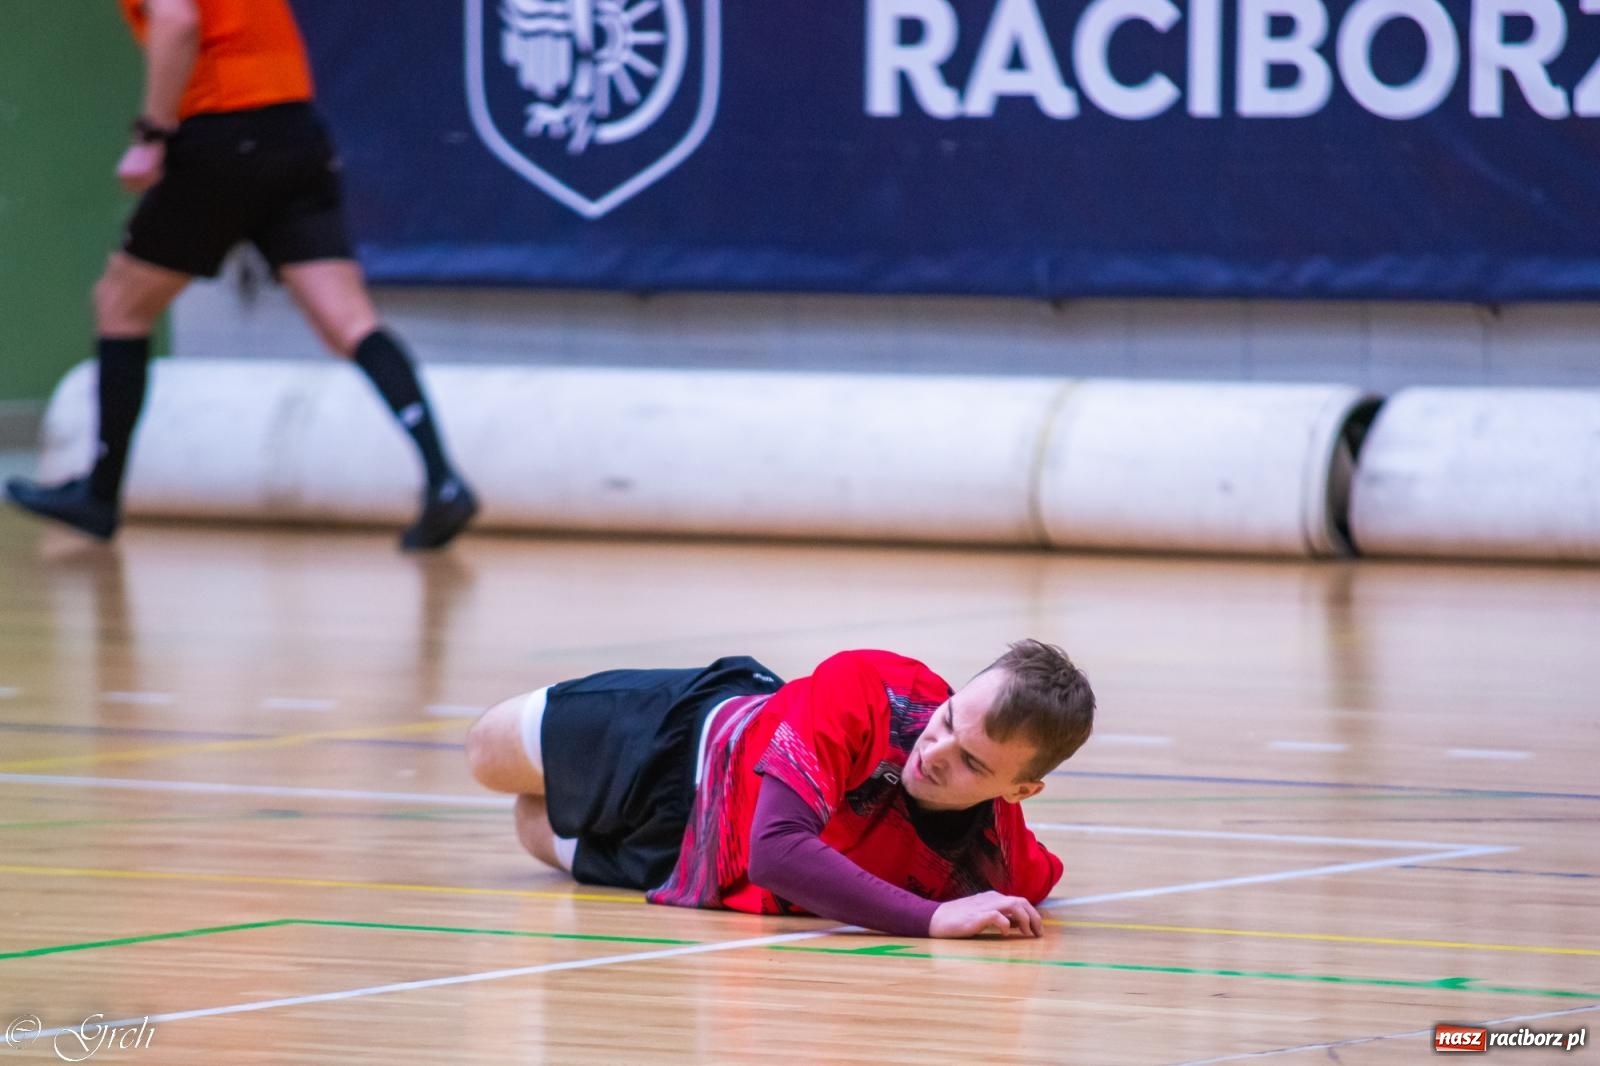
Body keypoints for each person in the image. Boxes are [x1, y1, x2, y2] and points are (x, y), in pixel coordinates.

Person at [4, 0, 476, 550]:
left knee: (120, 303)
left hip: (221, 131)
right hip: (294, 131)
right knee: (350, 321)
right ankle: (443, 479)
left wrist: (151, 136)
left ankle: (100, 497)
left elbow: (177, 20)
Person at [465, 640, 1095, 939]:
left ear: (1021, 790)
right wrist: (929, 918)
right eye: (948, 720)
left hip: (688, 867)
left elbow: (1040, 880)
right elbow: (776, 849)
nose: (933, 754)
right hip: (686, 741)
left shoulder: (1000, 868)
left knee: (532, 825)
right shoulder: (875, 687)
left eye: (971, 764)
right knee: (487, 756)